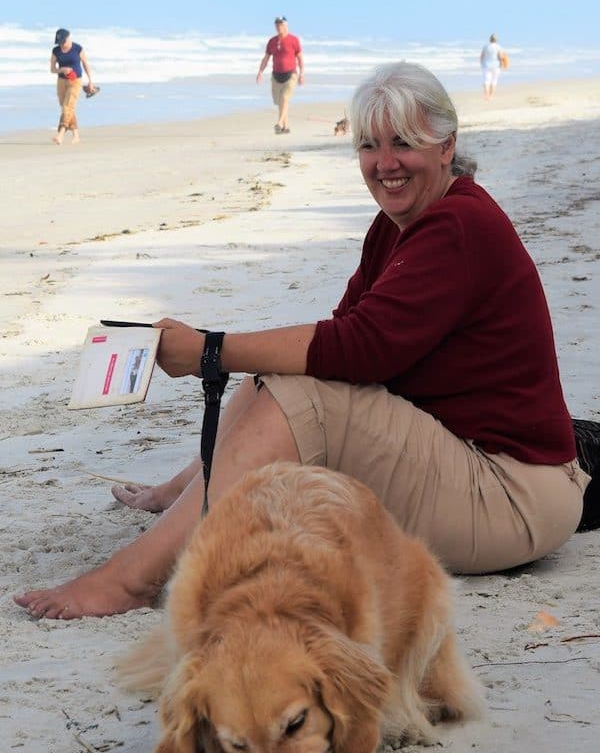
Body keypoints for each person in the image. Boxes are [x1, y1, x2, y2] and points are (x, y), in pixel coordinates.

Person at [15, 61, 590, 621]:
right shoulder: (400, 223)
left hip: (513, 498)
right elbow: (341, 341)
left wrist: (209, 351)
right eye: (369, 146)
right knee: (295, 379)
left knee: (305, 398)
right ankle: (183, 490)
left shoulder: (457, 226)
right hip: (474, 464)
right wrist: (214, 351)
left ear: (446, 146)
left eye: (403, 143)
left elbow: (362, 348)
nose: (385, 164)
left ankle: (132, 580)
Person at [256, 16, 304, 134]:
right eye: (277, 24)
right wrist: (260, 72)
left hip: (291, 75)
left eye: (281, 24)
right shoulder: (272, 41)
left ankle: (279, 123)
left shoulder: (294, 40)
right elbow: (266, 58)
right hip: (276, 76)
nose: (278, 26)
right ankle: (286, 127)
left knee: (285, 98)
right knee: (280, 102)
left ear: (286, 25)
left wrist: (302, 74)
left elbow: (300, 58)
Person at [50, 28, 95, 145]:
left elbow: (85, 64)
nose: (61, 45)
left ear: (69, 38)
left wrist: (90, 81)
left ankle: (60, 134)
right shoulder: (56, 51)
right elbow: (52, 69)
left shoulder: (77, 48)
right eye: (59, 43)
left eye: (63, 42)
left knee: (67, 107)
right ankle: (76, 135)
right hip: (61, 81)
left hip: (75, 81)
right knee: (67, 108)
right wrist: (62, 69)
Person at [479, 33, 505, 100]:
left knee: (486, 80)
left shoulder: (486, 46)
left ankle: (486, 95)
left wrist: (482, 64)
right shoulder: (498, 47)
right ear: (496, 40)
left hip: (486, 65)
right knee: (494, 81)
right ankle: (491, 96)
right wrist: (502, 64)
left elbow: (481, 57)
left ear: (490, 39)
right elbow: (501, 57)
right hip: (496, 66)